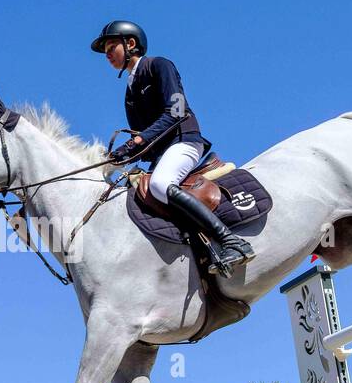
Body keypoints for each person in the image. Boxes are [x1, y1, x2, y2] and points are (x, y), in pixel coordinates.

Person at [91, 20, 252, 277]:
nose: (108, 55)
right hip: (162, 154)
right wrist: (121, 154)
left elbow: (176, 112)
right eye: (106, 51)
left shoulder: (159, 65)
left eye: (111, 47)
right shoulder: (129, 93)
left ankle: (230, 241)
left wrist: (138, 141)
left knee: (160, 184)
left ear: (130, 44)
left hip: (184, 142)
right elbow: (143, 140)